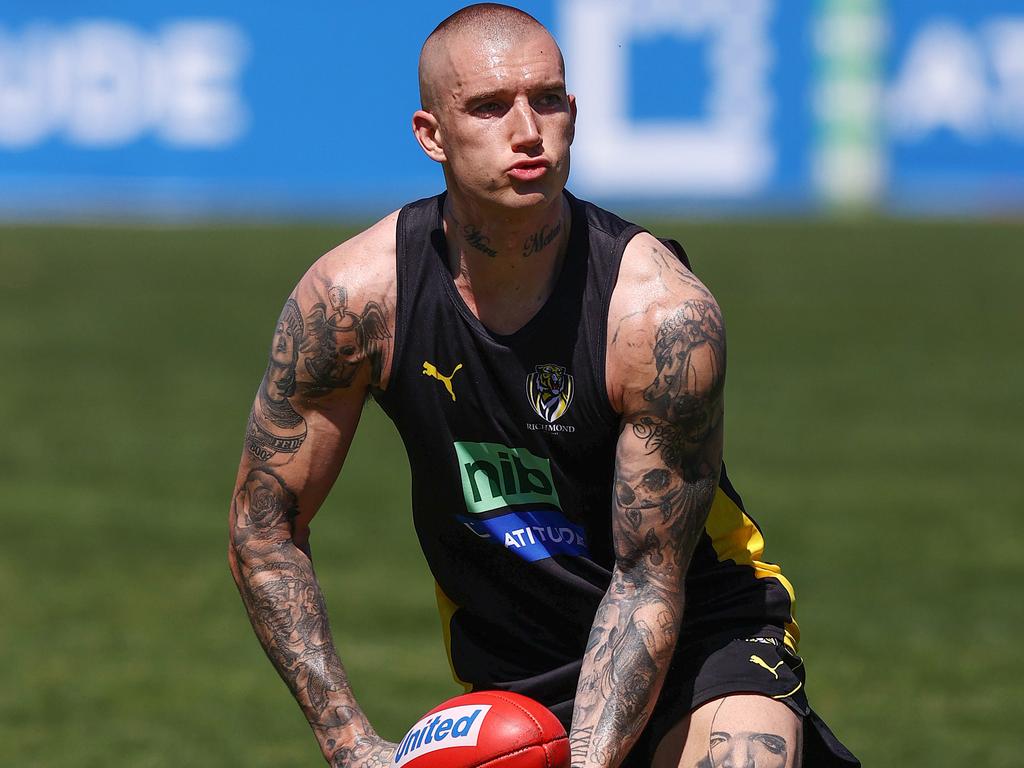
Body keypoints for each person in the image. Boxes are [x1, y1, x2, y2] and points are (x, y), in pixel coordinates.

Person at [227, 4, 860, 767]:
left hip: (699, 628)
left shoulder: (660, 317)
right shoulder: (356, 301)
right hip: (513, 672)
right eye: (490, 107)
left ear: (573, 113)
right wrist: (351, 745)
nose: (527, 131)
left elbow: (648, 579)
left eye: (548, 100)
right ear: (430, 134)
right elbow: (264, 531)